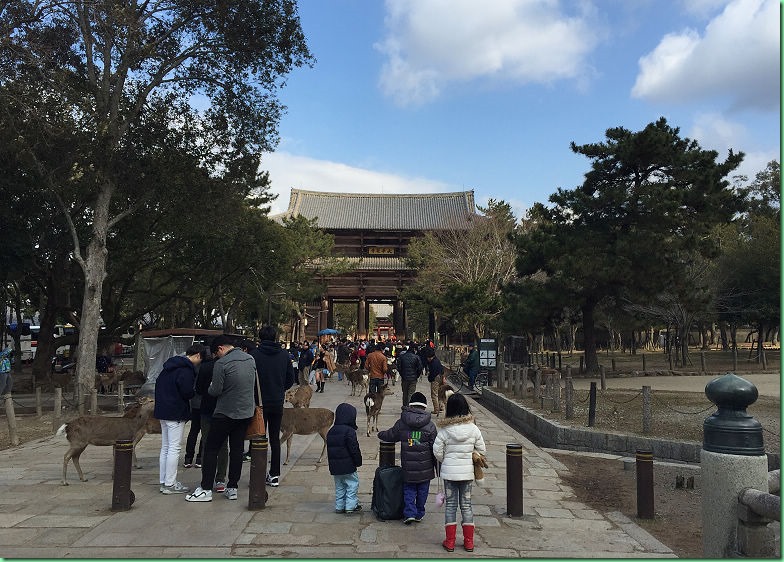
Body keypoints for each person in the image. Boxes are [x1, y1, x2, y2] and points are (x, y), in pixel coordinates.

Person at [186, 335, 256, 503]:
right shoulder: (250, 359)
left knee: (211, 448)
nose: (216, 356)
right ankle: (232, 487)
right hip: (245, 412)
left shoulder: (222, 363)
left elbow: (215, 390)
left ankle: (206, 488)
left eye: (216, 353)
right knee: (237, 449)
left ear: (220, 349)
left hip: (225, 413)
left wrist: (211, 387)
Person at [433, 393, 487, 552]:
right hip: (467, 474)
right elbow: (482, 450)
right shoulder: (474, 428)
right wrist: (472, 455)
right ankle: (469, 542)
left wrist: (446, 460)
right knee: (466, 506)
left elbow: (437, 451)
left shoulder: (444, 430)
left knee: (450, 506)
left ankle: (450, 541)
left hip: (449, 474)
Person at [377, 391, 437, 524]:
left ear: (410, 405)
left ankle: (409, 512)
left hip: (408, 467)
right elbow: (435, 448)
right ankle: (419, 512)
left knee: (409, 489)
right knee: (423, 490)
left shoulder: (402, 423)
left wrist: (380, 434)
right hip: (425, 468)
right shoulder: (430, 426)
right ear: (425, 406)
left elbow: (391, 435)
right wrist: (437, 466)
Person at [154, 343, 205, 494]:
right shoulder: (186, 370)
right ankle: (170, 483)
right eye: (200, 360)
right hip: (175, 412)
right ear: (197, 356)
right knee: (174, 448)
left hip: (163, 411)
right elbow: (187, 391)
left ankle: (164, 481)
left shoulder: (168, 367)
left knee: (166, 448)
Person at [249, 325, 296, 488]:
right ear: (276, 337)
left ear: (260, 337)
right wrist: (280, 387)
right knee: (275, 438)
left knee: (258, 437)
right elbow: (291, 378)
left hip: (259, 403)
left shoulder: (254, 355)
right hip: (277, 402)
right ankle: (274, 474)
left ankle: (257, 474)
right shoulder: (284, 355)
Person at [193, 348, 229, 493]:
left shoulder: (206, 367)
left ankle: (206, 480)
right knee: (223, 446)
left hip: (207, 409)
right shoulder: (228, 366)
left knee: (208, 445)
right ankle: (220, 479)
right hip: (224, 410)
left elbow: (199, 389)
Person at [326, 402, 363, 514]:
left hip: (335, 467)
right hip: (348, 466)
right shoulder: (349, 431)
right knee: (352, 484)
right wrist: (358, 461)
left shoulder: (331, 431)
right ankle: (350, 506)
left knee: (339, 486)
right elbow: (354, 448)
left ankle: (339, 506)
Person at [397, 342, 423, 407]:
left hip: (404, 378)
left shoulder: (402, 357)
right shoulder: (416, 357)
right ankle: (409, 407)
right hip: (413, 378)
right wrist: (417, 375)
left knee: (405, 393)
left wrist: (402, 374)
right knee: (411, 393)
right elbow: (420, 368)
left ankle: (405, 406)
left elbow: (399, 367)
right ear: (414, 349)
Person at [425, 350, 445, 415]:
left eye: (428, 357)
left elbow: (432, 373)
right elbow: (442, 369)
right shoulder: (437, 360)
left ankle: (436, 409)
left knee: (434, 394)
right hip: (440, 377)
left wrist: (430, 378)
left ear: (430, 357)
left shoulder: (433, 363)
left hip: (435, 378)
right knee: (439, 393)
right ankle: (441, 406)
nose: (427, 359)